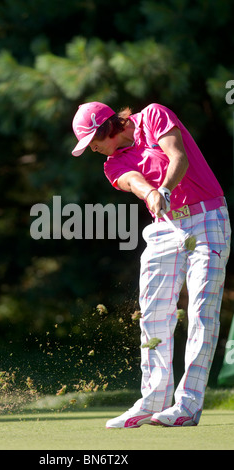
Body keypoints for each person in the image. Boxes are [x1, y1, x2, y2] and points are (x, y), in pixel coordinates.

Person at [71, 101, 231, 427]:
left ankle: (187, 406)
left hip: (208, 219)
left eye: (93, 141)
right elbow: (133, 181)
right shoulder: (111, 164)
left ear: (107, 128)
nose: (93, 149)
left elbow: (178, 157)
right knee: (154, 314)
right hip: (164, 227)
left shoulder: (154, 115)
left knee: (202, 310)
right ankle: (152, 401)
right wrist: (151, 194)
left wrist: (166, 190)